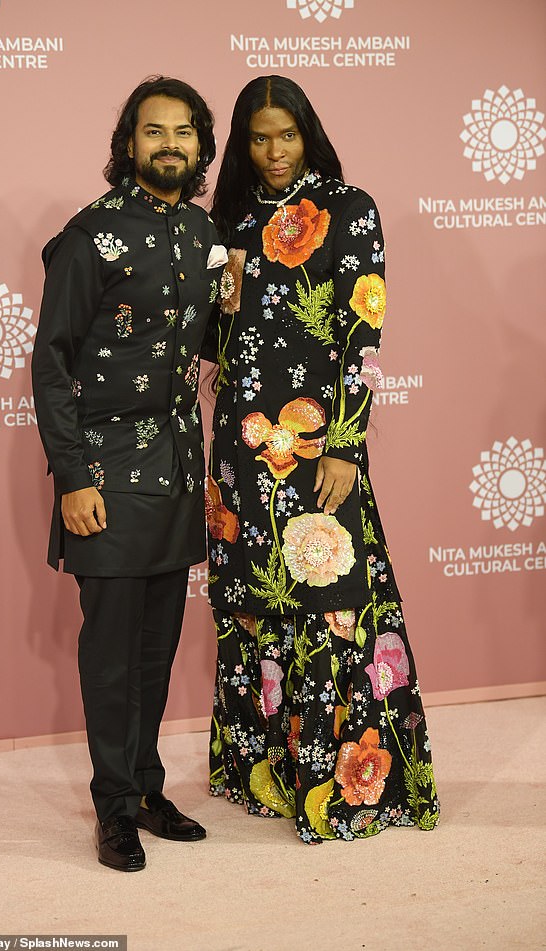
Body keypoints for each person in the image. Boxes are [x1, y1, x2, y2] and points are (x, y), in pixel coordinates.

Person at [204, 75, 440, 843]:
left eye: (286, 135)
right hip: (241, 449)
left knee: (331, 602)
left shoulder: (349, 208)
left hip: (315, 446)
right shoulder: (230, 219)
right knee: (251, 604)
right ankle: (265, 774)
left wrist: (345, 440)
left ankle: (341, 786)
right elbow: (219, 341)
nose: (273, 152)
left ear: (309, 133)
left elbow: (362, 333)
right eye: (258, 137)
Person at [31, 76, 227, 871]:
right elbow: (50, 364)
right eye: (154, 132)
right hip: (106, 476)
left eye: (184, 132)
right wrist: (73, 478)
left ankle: (147, 787)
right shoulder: (90, 235)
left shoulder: (204, 234)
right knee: (109, 652)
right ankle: (112, 805)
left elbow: (206, 343)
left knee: (155, 649)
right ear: (129, 143)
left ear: (200, 147)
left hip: (179, 473)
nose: (169, 144)